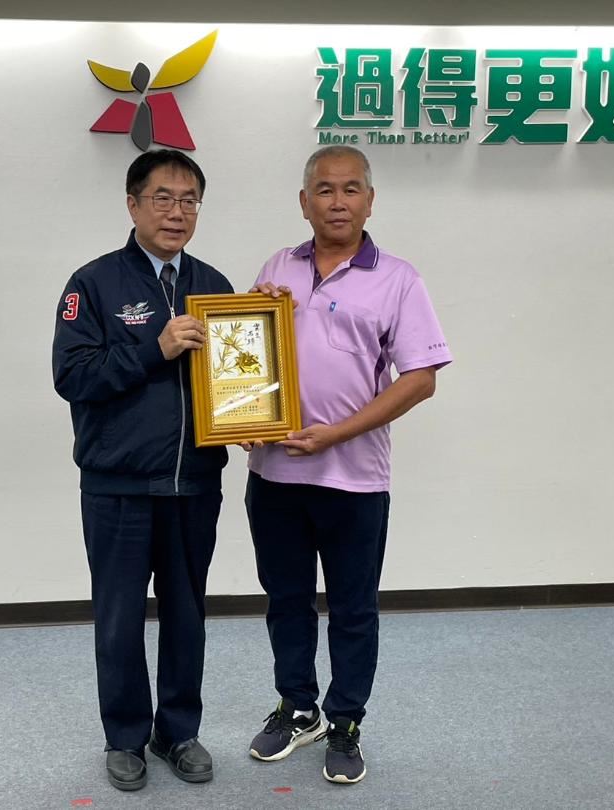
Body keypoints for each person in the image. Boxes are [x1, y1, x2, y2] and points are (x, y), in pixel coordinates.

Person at [244, 145, 453, 784]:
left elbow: (420, 379)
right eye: (325, 190)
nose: (338, 202)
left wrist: (337, 434)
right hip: (275, 476)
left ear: (370, 200)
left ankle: (346, 721)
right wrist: (244, 413)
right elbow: (246, 351)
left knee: (353, 608)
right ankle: (297, 707)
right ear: (304, 202)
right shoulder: (278, 266)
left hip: (355, 479)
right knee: (285, 600)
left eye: (351, 189)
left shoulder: (399, 279)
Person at [52, 149, 234, 792]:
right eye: (162, 198)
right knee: (120, 618)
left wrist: (253, 415)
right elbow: (72, 376)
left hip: (194, 484)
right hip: (119, 487)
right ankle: (125, 737)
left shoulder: (215, 286)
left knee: (187, 615)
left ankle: (177, 731)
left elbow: (235, 379)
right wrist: (153, 349)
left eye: (189, 200)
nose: (176, 212)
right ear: (132, 204)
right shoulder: (93, 283)